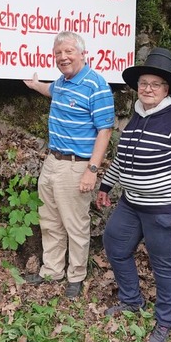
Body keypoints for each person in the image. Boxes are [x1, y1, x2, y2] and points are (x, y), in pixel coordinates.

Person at [97, 48, 171, 342]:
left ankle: (166, 320)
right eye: (143, 83)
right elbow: (122, 158)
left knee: (164, 265)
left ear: (166, 90)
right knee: (115, 245)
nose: (147, 89)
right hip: (131, 203)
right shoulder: (137, 116)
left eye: (155, 84)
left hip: (165, 208)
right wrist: (106, 185)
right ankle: (131, 300)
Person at [23, 31, 115, 299]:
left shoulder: (96, 85)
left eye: (68, 52)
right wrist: (35, 84)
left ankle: (76, 275)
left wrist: (92, 170)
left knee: (75, 224)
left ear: (82, 54)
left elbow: (105, 131)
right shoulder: (62, 83)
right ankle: (51, 270)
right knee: (49, 220)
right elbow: (49, 90)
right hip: (52, 162)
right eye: (58, 54)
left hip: (78, 166)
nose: (63, 58)